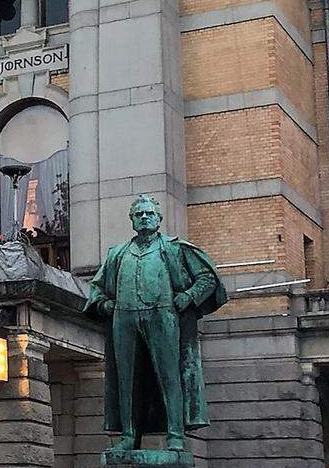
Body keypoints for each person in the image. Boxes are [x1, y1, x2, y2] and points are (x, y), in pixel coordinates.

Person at [85, 194, 227, 454]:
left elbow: (208, 278)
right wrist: (105, 304)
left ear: (159, 219)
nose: (144, 217)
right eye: (138, 214)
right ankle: (128, 436)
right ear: (131, 220)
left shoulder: (173, 248)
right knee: (126, 380)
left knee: (169, 376)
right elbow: (96, 288)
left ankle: (175, 435)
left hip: (163, 315)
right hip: (124, 318)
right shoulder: (117, 254)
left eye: (149, 213)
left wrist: (188, 296)